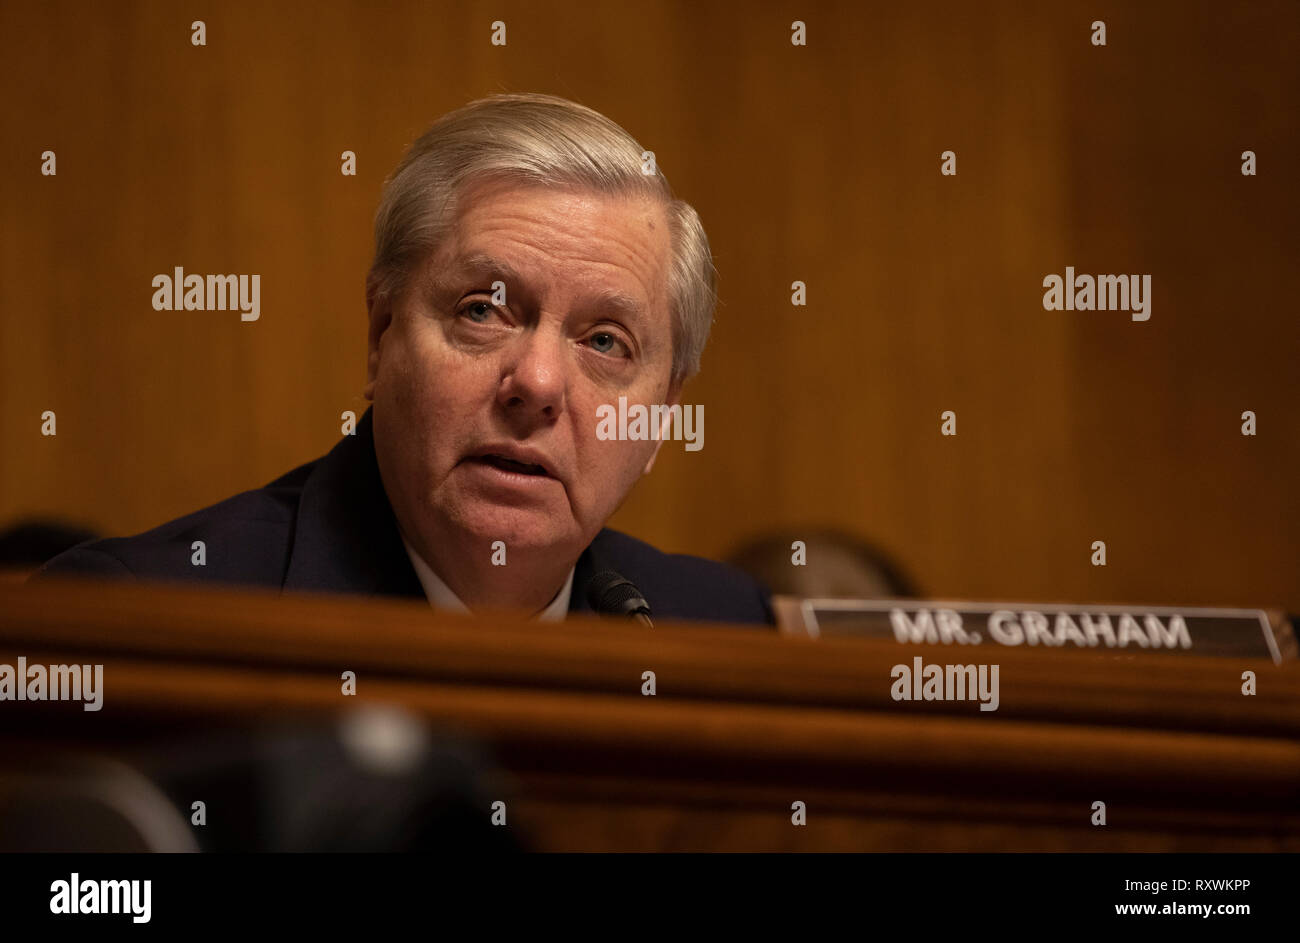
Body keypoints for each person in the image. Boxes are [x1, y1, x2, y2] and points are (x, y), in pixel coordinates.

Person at [37, 93, 772, 627]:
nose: (539, 384)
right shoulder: (133, 620)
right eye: (482, 310)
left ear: (662, 417)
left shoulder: (723, 630)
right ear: (380, 333)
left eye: (606, 341)